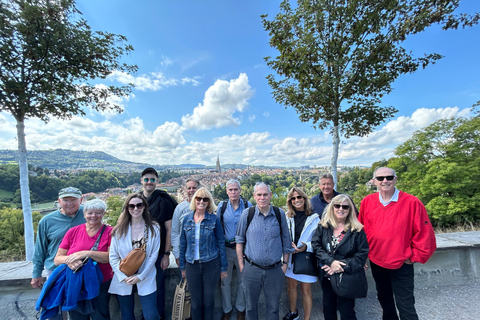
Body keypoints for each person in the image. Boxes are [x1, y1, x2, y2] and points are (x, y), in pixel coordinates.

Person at [358, 167, 436, 320]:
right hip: (377, 261)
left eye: (389, 177)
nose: (385, 181)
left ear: (395, 179)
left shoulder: (412, 202)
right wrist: (363, 256)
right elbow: (361, 230)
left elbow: (425, 232)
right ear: (374, 182)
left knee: (405, 305)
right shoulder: (367, 202)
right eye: (380, 178)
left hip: (402, 262)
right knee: (385, 300)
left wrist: (413, 257)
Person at [235, 182, 294, 320]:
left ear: (270, 195)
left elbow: (286, 240)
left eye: (265, 194)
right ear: (254, 196)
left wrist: (285, 264)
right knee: (250, 307)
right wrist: (242, 266)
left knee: (273, 308)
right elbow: (239, 241)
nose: (262, 198)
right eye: (259, 195)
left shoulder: (279, 214)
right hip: (251, 268)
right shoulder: (247, 214)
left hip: (274, 270)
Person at [312, 194, 369, 320]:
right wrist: (330, 262)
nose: (340, 209)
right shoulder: (324, 226)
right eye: (337, 206)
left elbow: (361, 256)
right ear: (332, 208)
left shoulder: (357, 230)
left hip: (347, 277)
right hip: (327, 275)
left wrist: (338, 266)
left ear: (350, 210)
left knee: (347, 310)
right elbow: (316, 246)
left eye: (345, 207)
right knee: (328, 307)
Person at [54, 199, 113, 320]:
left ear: (103, 214)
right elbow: (58, 259)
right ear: (84, 214)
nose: (93, 216)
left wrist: (86, 253)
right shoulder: (73, 232)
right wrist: (71, 261)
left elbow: (110, 257)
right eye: (90, 213)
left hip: (100, 282)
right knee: (77, 316)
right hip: (76, 282)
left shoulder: (110, 232)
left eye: (98, 213)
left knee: (100, 316)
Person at [109, 194, 161, 320]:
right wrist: (122, 277)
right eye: (131, 206)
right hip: (124, 276)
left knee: (151, 315)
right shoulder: (119, 230)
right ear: (127, 208)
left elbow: (153, 255)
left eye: (139, 205)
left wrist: (141, 276)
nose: (135, 208)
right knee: (127, 315)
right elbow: (113, 256)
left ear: (144, 207)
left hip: (146, 275)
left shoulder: (154, 228)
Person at [179, 188, 228, 320]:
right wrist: (182, 267)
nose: (201, 201)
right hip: (192, 265)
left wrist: (223, 268)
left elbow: (221, 243)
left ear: (209, 202)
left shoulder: (214, 219)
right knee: (195, 303)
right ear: (194, 200)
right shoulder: (186, 220)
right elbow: (182, 244)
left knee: (209, 302)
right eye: (198, 198)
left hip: (211, 264)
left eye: (205, 199)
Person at [140, 167, 178, 319]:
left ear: (157, 182)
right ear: (142, 181)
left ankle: (159, 314)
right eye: (147, 179)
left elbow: (169, 230)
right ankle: (146, 314)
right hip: (139, 252)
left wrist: (166, 254)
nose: (149, 182)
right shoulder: (136, 200)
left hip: (158, 252)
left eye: (152, 180)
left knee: (158, 284)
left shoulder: (164, 200)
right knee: (141, 285)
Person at [32, 187, 86, 288]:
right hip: (55, 269)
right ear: (59, 201)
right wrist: (36, 274)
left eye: (73, 200)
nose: (69, 204)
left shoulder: (89, 215)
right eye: (65, 200)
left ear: (81, 200)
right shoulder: (46, 221)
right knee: (56, 301)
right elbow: (40, 249)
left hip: (83, 268)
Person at [216, 179, 252, 320]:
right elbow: (218, 228)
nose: (233, 192)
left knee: (243, 281)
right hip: (227, 249)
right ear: (227, 191)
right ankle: (227, 310)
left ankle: (240, 309)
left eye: (235, 189)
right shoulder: (222, 206)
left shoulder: (248, 205)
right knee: (225, 281)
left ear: (240, 190)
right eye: (230, 190)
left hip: (244, 250)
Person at [283, 187, 320, 320]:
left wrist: (305, 247)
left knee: (306, 290)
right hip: (291, 256)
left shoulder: (314, 217)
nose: (296, 200)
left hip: (306, 257)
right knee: (291, 286)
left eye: (299, 197)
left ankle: (307, 318)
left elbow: (318, 240)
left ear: (304, 198)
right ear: (290, 201)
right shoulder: (287, 217)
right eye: (293, 198)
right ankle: (294, 312)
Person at [171, 178, 200, 268]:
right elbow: (175, 232)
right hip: (185, 253)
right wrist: (177, 254)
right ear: (186, 190)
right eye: (189, 188)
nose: (191, 190)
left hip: (204, 254)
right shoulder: (180, 208)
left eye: (194, 188)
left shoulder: (206, 206)